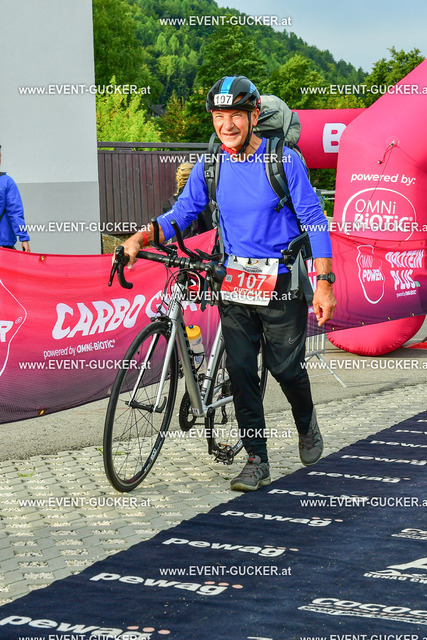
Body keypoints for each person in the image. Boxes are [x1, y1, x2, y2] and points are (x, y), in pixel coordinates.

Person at [121, 75, 336, 491]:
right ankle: (257, 459)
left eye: (236, 114)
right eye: (219, 116)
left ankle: (306, 422)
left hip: (281, 282)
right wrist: (140, 238)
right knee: (240, 372)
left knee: (286, 369)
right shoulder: (211, 165)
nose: (227, 124)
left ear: (254, 115)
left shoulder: (283, 160)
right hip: (235, 282)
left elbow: (314, 220)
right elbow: (181, 215)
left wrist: (324, 281)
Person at [161, 161, 213, 238]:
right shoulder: (201, 203)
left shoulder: (168, 204)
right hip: (199, 244)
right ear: (194, 176)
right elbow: (210, 229)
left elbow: (164, 232)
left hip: (175, 245)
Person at [0, 145, 31, 251]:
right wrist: (24, 238)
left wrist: (24, 238)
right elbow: (15, 212)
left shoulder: (6, 182)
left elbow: (15, 212)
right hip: (4, 245)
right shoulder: (7, 182)